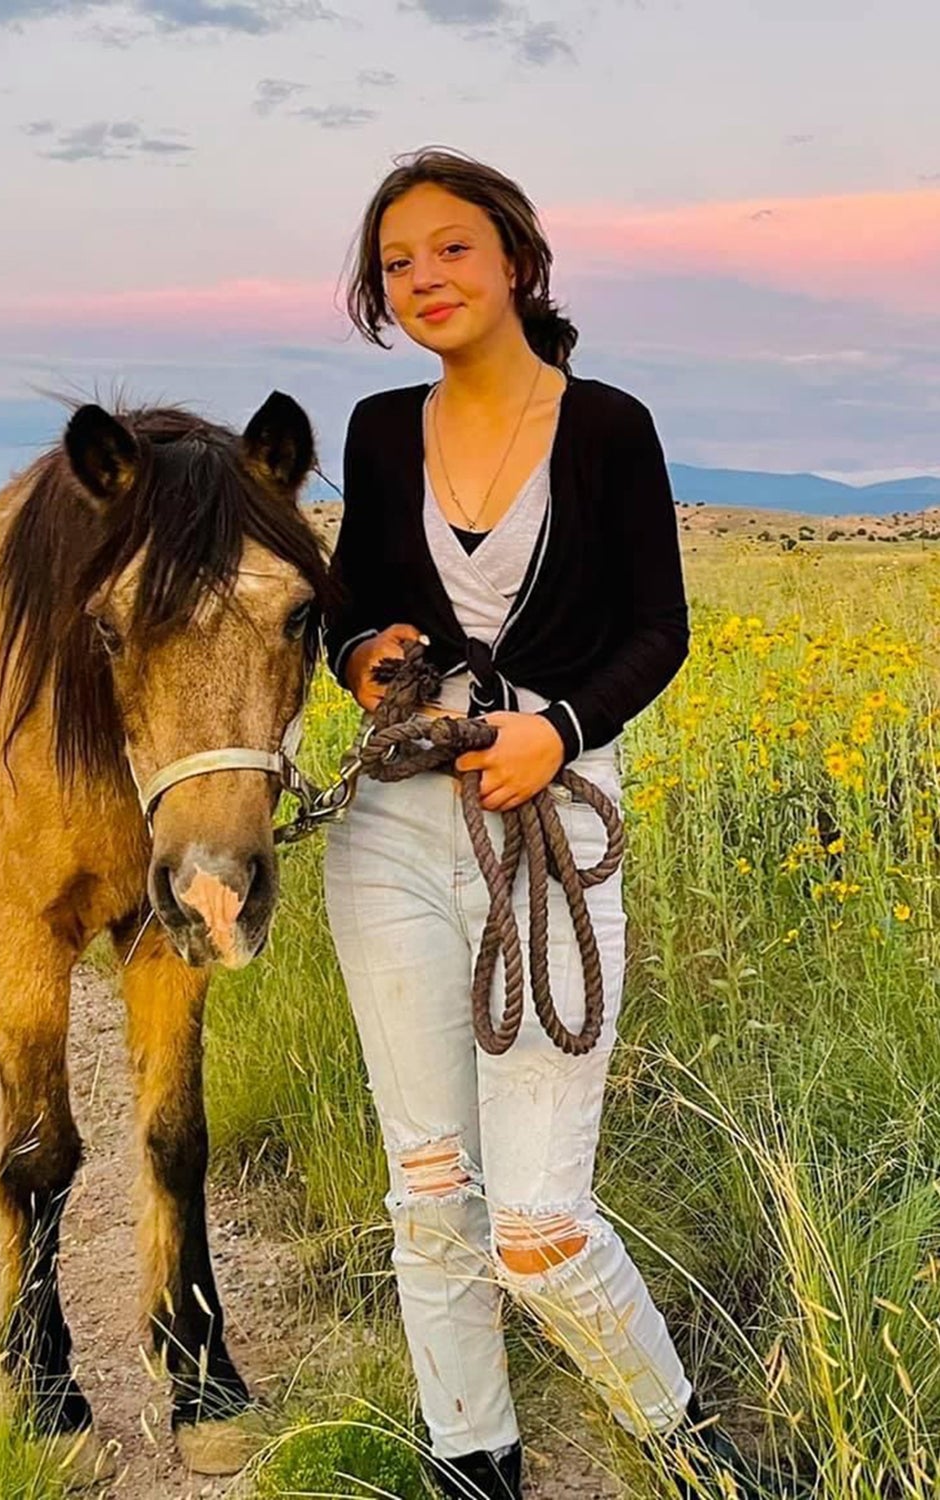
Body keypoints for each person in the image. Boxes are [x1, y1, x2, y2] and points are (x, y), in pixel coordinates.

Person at [320, 147, 796, 1499]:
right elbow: (352, 608)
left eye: (449, 247)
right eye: (397, 262)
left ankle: (696, 1457)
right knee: (428, 1188)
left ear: (516, 260)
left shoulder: (608, 429)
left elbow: (663, 627)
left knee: (534, 1225)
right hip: (397, 831)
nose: (423, 278)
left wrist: (560, 730)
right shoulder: (373, 430)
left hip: (557, 829)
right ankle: (474, 1460)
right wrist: (359, 657)